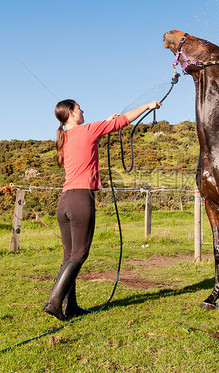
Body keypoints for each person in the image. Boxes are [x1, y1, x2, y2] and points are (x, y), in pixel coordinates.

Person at [43, 99, 162, 321]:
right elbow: (124, 121)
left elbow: (101, 129)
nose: (83, 110)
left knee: (68, 256)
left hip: (64, 201)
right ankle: (54, 301)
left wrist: (106, 122)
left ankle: (71, 307)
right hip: (80, 199)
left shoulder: (65, 136)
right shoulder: (88, 130)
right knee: (80, 254)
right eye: (79, 108)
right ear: (71, 112)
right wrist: (148, 106)